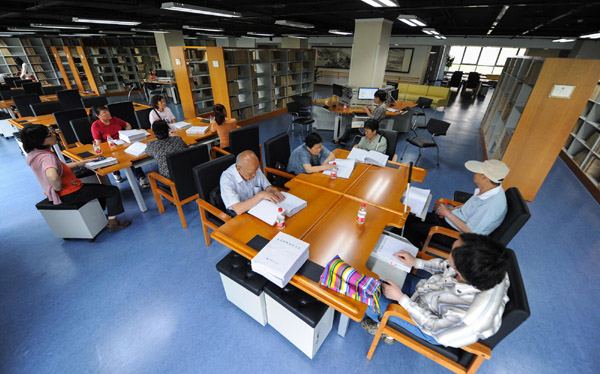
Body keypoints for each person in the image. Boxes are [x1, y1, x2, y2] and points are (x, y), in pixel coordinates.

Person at [362, 233, 510, 347]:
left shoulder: (469, 319)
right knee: (380, 276)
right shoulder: (487, 266)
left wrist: (401, 299)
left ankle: (386, 328)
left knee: (367, 297)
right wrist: (417, 263)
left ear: (461, 272)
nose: (448, 256)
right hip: (431, 293)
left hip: (433, 328)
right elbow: (447, 266)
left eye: (451, 254)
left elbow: (434, 326)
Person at [21, 124, 131, 232]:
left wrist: (81, 163)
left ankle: (99, 216)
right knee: (112, 191)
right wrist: (58, 187)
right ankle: (112, 223)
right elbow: (52, 175)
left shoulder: (34, 154)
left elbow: (59, 167)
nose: (54, 135)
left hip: (58, 194)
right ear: (42, 141)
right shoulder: (47, 157)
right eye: (50, 134)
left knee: (98, 190)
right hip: (70, 193)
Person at [399, 159, 510, 248]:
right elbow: (473, 208)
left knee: (411, 228)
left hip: (457, 234)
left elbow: (471, 232)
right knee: (409, 217)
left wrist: (448, 214)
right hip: (453, 220)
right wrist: (453, 209)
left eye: (477, 171)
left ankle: (408, 256)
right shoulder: (490, 189)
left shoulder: (491, 206)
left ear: (484, 177)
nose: (474, 173)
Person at [89, 105, 149, 187]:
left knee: (131, 157)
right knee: (115, 157)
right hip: (109, 147)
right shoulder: (95, 126)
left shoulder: (114, 119)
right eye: (104, 113)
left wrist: (127, 134)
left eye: (107, 111)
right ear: (98, 116)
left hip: (122, 143)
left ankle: (141, 177)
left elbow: (127, 125)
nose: (108, 113)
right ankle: (116, 173)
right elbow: (99, 143)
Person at [220, 150, 285, 216]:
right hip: (240, 215)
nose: (254, 175)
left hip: (258, 206)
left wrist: (272, 190)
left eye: (256, 171)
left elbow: (267, 186)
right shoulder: (227, 179)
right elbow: (238, 209)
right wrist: (261, 195)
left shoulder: (253, 168)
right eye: (250, 173)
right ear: (239, 169)